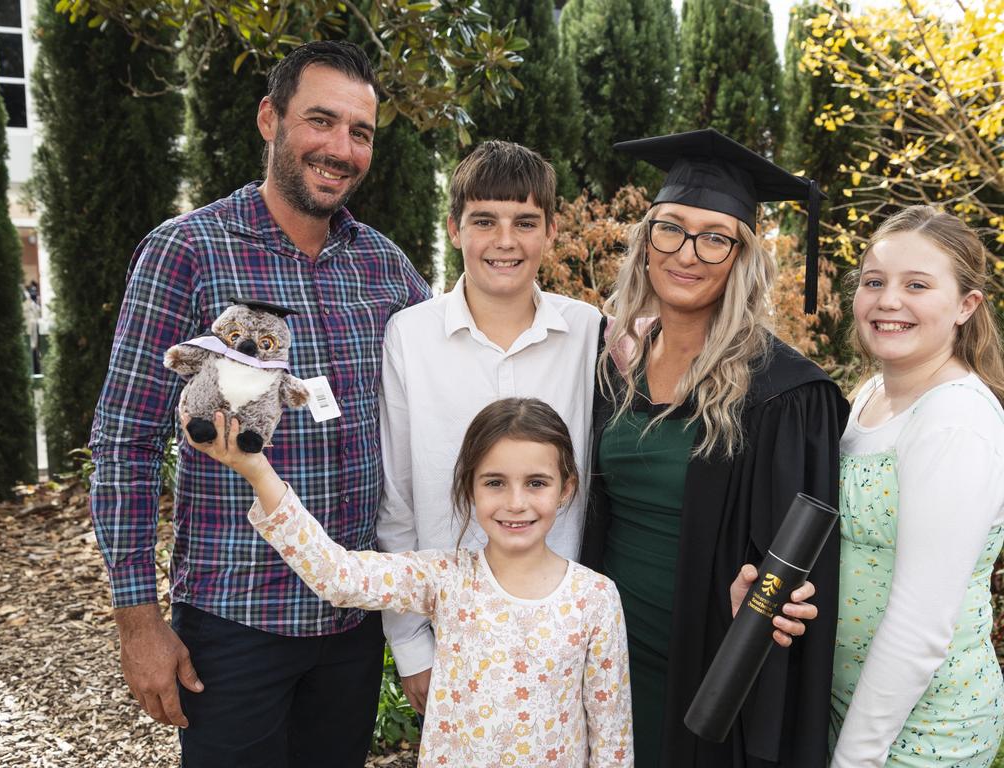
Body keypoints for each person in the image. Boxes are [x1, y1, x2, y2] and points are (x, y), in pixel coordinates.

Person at [88, 40, 430, 768]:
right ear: (270, 118)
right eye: (321, 121)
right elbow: (125, 440)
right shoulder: (187, 251)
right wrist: (137, 620)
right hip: (235, 624)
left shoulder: (388, 269)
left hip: (349, 625)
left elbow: (448, 391)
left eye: (360, 133)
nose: (341, 148)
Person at [580, 128, 849, 767]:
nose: (688, 253)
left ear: (741, 256)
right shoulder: (611, 361)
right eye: (670, 228)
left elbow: (794, 562)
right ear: (646, 242)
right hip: (607, 654)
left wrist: (771, 592)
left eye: (715, 237)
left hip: (708, 668)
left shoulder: (785, 393)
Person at [188, 397, 634, 767]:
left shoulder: (593, 597)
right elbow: (336, 575)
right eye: (495, 482)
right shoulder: (444, 578)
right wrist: (258, 471)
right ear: (469, 489)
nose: (516, 503)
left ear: (567, 488)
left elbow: (612, 741)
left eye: (536, 482)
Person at [375, 140, 602, 715]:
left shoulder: (589, 334)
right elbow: (398, 499)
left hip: (563, 633)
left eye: (525, 221)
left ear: (550, 231)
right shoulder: (410, 335)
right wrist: (409, 645)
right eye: (485, 221)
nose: (506, 241)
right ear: (454, 228)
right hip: (453, 632)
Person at [829, 206, 1004, 766]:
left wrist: (854, 758)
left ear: (965, 306)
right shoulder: (871, 394)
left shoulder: (955, 420)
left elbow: (921, 620)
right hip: (847, 704)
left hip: (922, 730)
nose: (887, 301)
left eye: (918, 285)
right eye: (874, 282)